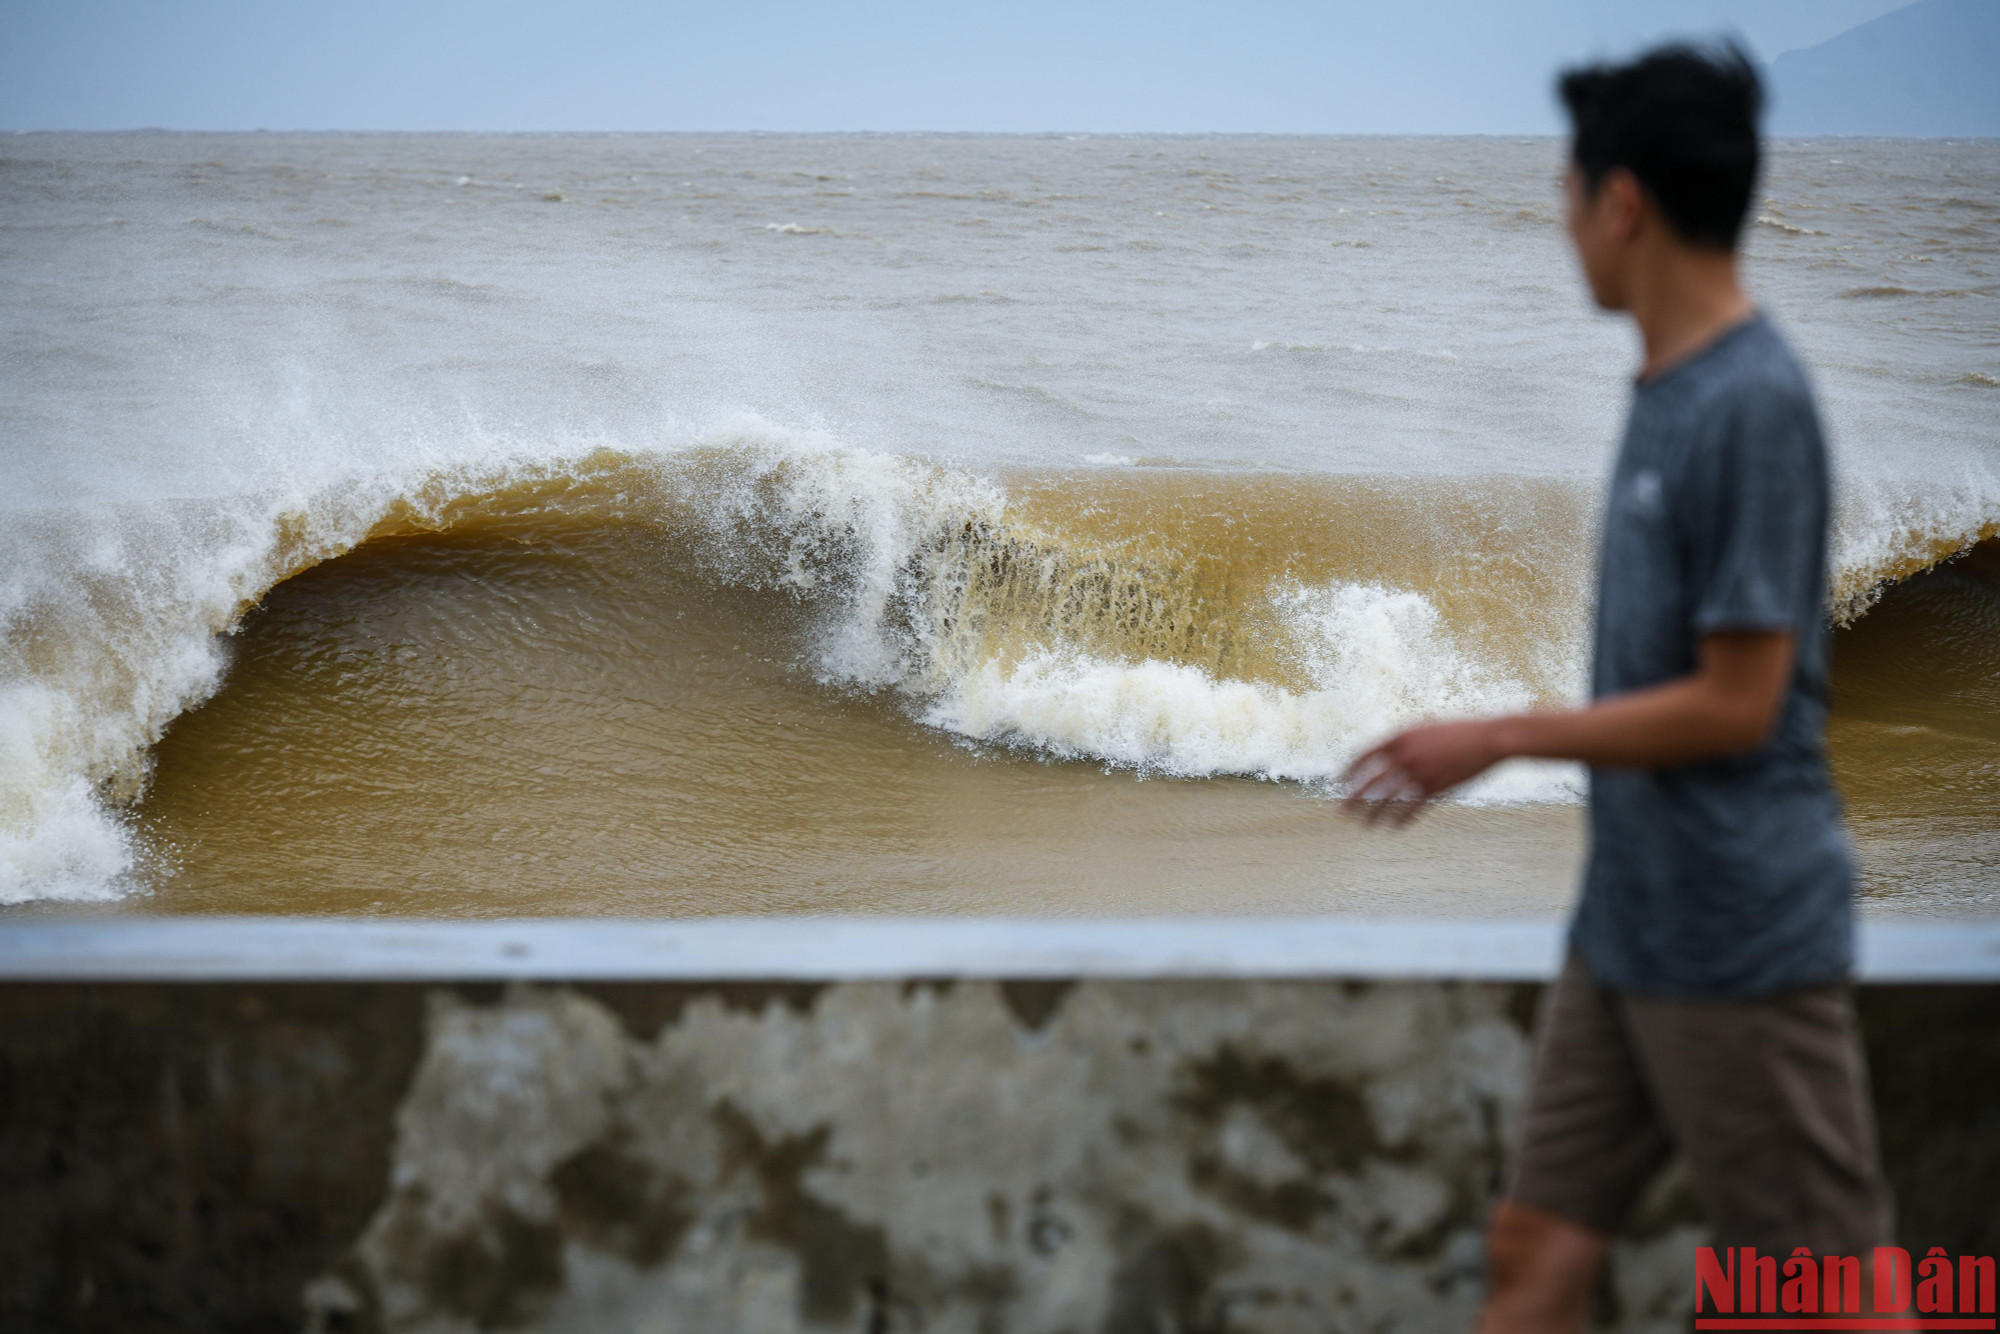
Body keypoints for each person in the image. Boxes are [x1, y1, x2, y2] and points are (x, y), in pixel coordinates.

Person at [1341, 41, 1892, 1334]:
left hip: (1736, 929)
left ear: (1623, 202)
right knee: (1533, 1249)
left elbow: (1737, 701)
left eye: (1567, 190)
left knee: (1831, 1300)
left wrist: (1497, 733)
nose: (1562, 221)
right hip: (1628, 917)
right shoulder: (1664, 386)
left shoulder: (1753, 405)